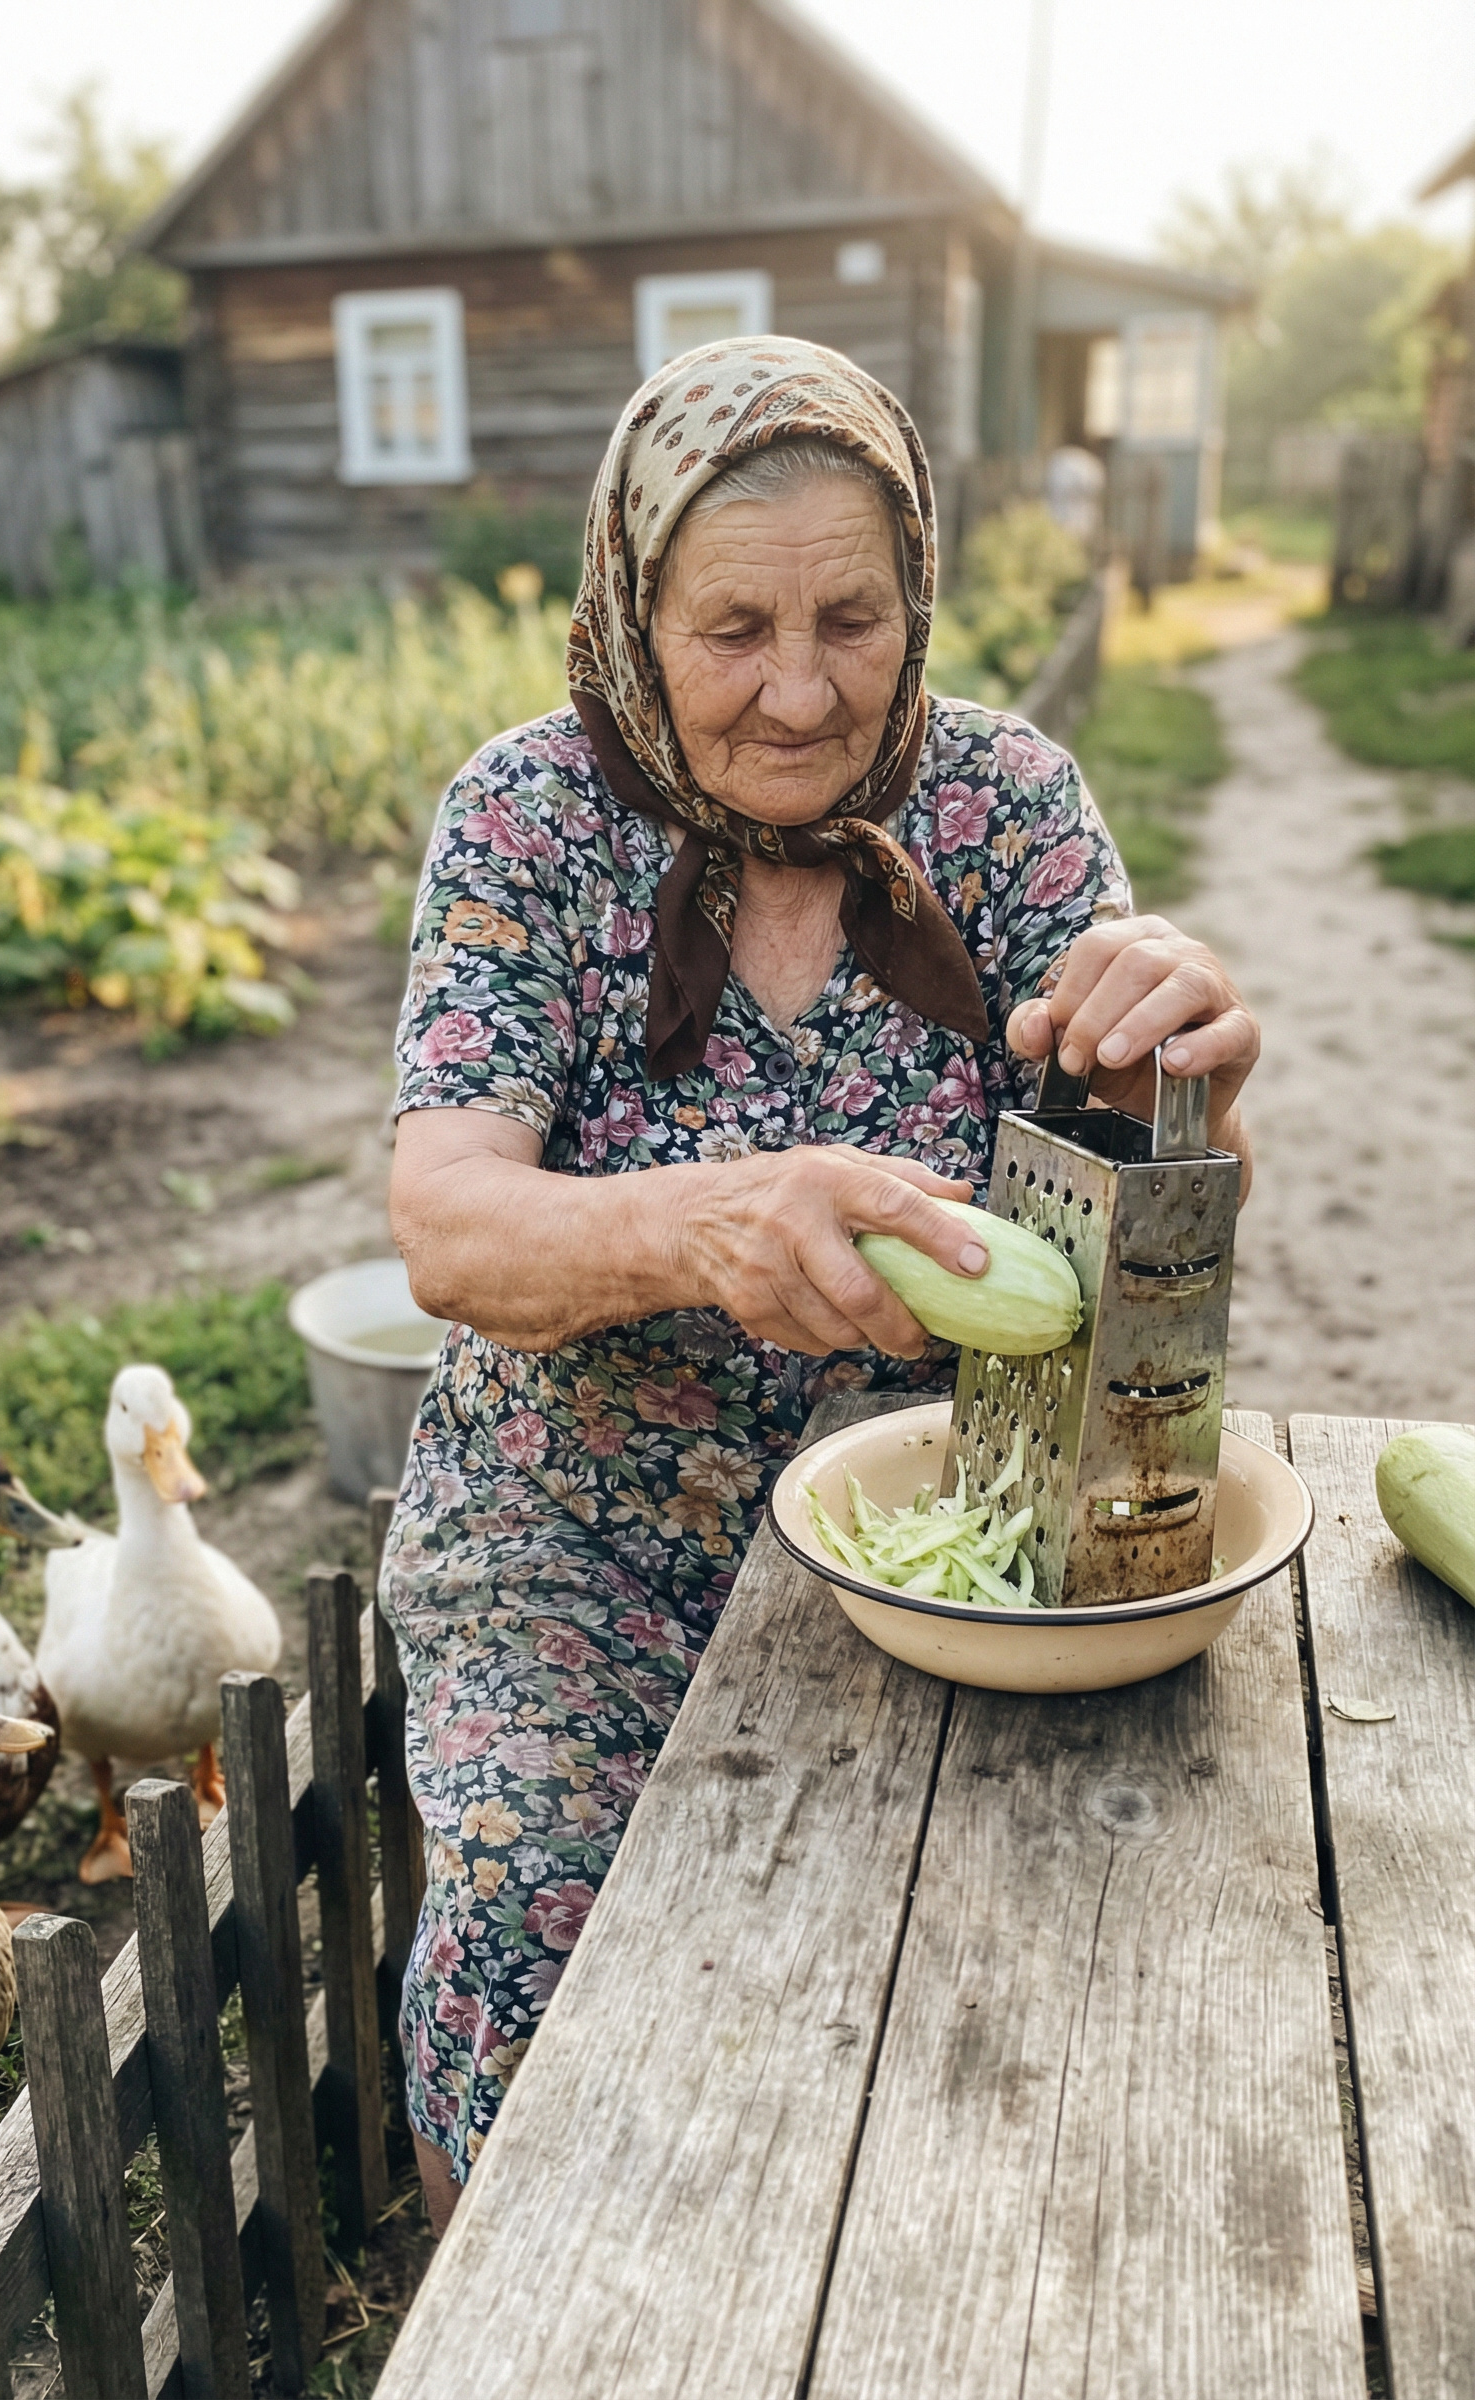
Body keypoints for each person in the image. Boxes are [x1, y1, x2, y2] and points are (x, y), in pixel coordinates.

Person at [379, 337, 1258, 2233]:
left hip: (941, 1518)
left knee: (1021, 1973)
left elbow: (1148, 1251)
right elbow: (449, 1224)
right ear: (632, 603)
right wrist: (707, 1221)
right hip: (577, 1536)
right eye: (733, 628)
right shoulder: (532, 821)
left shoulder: (1006, 802)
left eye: (854, 615)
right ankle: (499, 2307)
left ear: (918, 590)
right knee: (539, 1931)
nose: (803, 690)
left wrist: (1184, 1100)